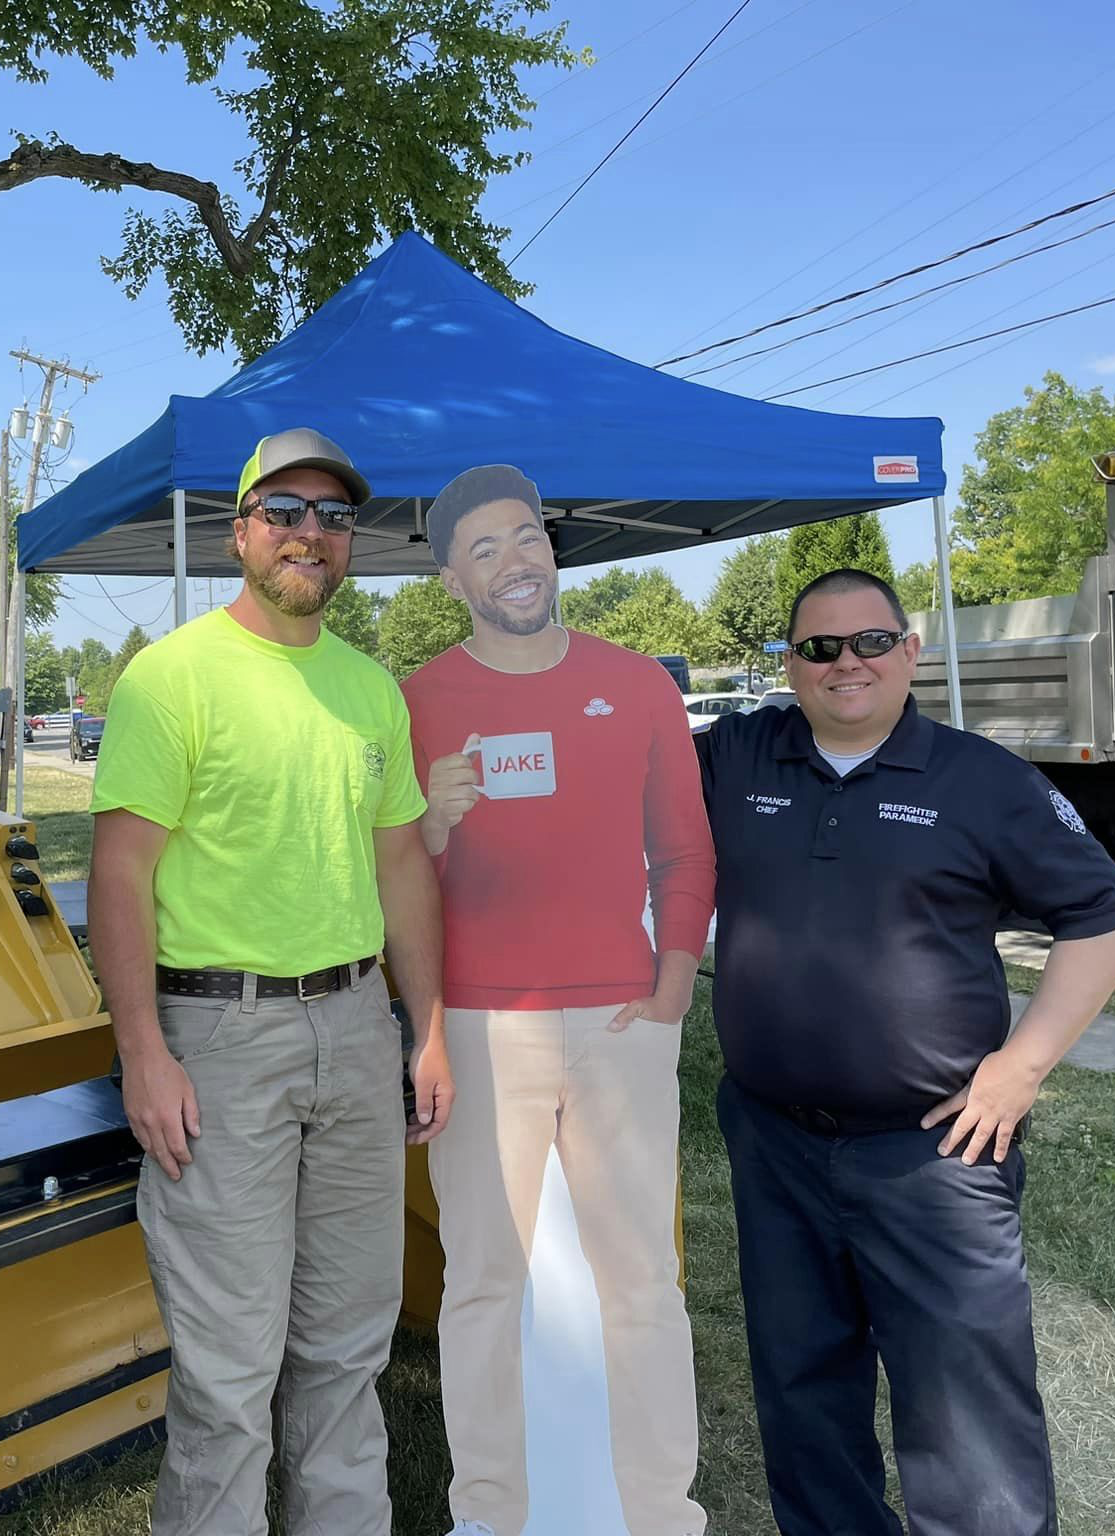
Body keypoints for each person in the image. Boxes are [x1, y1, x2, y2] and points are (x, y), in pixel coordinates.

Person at [697, 568, 1115, 1536]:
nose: (844, 664)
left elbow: (1105, 916)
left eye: (867, 642)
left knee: (966, 1425)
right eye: (818, 648)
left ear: (909, 653)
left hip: (934, 1155)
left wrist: (1020, 1066)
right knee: (800, 1397)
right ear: (788, 665)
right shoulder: (738, 755)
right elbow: (613, 765)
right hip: (774, 1147)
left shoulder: (977, 779)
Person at [88, 427, 451, 1536]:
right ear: (238, 529)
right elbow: (119, 871)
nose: (310, 533)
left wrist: (424, 1026)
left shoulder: (368, 689)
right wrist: (142, 1051)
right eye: (285, 512)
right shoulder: (171, 677)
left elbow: (400, 865)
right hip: (218, 1037)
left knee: (349, 1345)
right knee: (229, 1370)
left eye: (332, 518)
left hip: (353, 1030)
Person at [402, 465, 715, 1536]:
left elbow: (683, 848)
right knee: (482, 1285)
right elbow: (393, 886)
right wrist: (429, 826)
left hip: (622, 1020)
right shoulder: (419, 699)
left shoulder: (636, 684)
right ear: (451, 579)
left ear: (550, 547)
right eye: (482, 548)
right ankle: (488, 1515)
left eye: (524, 536)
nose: (513, 560)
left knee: (643, 1284)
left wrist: (672, 977)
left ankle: (660, 1515)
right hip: (483, 1027)